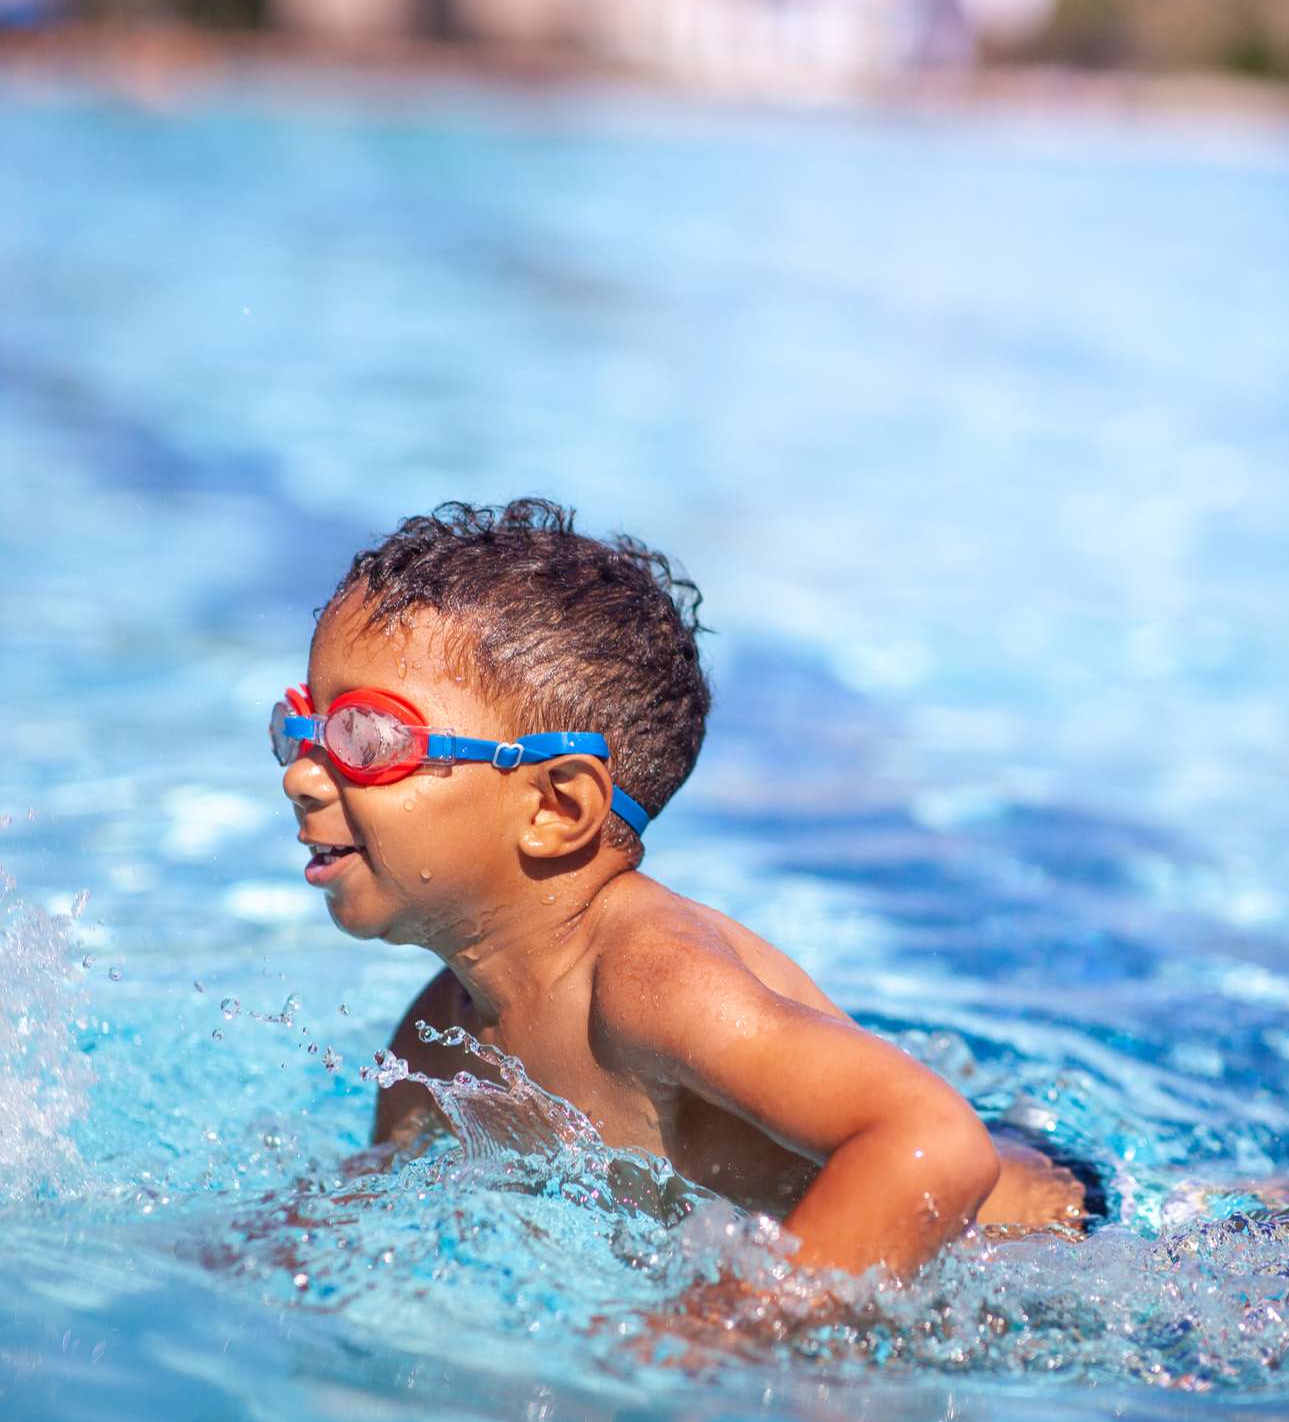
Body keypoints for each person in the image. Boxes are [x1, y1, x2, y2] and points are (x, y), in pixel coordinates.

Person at [272, 499, 1087, 1286]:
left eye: (365, 738)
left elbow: (936, 1141)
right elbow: (361, 1208)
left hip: (1052, 1239)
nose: (303, 774)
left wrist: (725, 1333)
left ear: (557, 807)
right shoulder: (438, 1034)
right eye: (301, 726)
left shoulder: (648, 980)